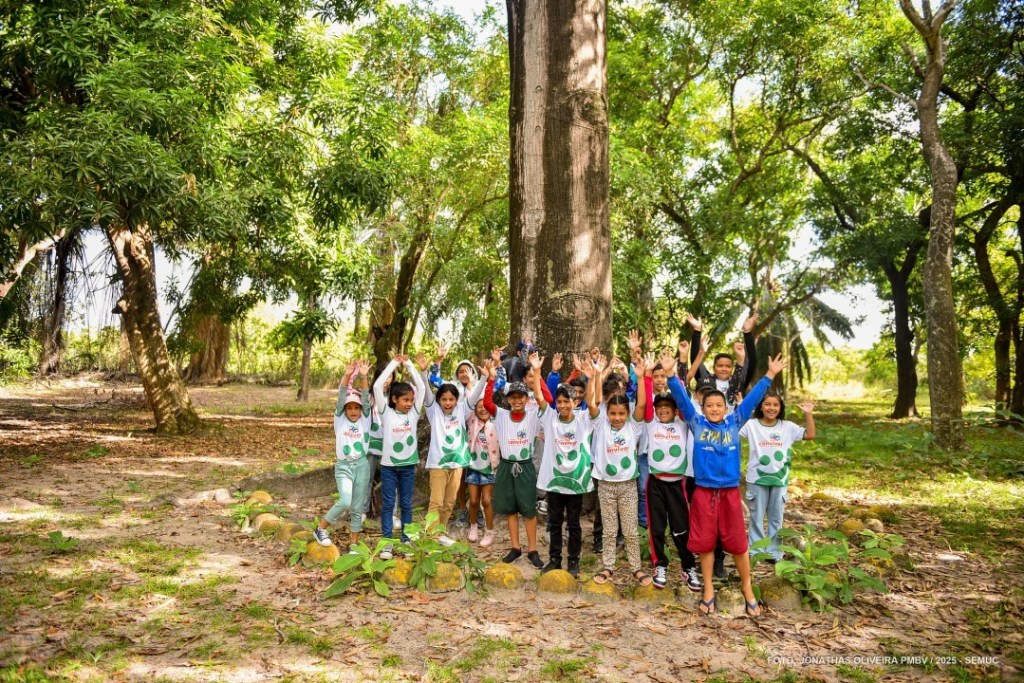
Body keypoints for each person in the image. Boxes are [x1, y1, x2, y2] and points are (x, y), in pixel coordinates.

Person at [666, 352, 788, 618]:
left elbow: (753, 398)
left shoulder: (734, 421)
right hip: (704, 492)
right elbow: (683, 401)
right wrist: (670, 376)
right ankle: (708, 588)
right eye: (709, 406)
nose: (714, 409)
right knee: (706, 543)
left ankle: (747, 588)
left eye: (718, 406)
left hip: (730, 492)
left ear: (725, 408)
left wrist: (769, 375)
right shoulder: (696, 422)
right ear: (704, 408)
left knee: (738, 543)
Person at [642, 345, 706, 591]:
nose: (664, 409)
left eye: (668, 406)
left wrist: (674, 372)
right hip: (656, 483)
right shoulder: (650, 424)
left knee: (682, 528)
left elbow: (682, 400)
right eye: (660, 406)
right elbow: (646, 403)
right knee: (657, 528)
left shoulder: (685, 423)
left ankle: (689, 567)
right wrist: (646, 376)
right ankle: (660, 564)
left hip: (678, 484)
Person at [588, 353, 651, 586]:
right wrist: (596, 374)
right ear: (607, 413)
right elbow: (593, 403)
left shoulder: (634, 427)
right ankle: (608, 566)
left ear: (627, 413)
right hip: (605, 485)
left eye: (621, 414)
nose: (617, 418)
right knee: (609, 530)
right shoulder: (601, 423)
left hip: (627, 485)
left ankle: (636, 568)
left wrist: (642, 377)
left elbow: (642, 404)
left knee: (631, 530)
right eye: (613, 413)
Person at [482, 354, 546, 568]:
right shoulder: (501, 415)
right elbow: (487, 403)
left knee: (528, 510)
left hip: (525, 466)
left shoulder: (534, 416)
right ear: (508, 399)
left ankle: (533, 549)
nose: (517, 400)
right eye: (513, 397)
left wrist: (537, 373)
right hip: (506, 466)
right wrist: (491, 379)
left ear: (527, 399)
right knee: (510, 509)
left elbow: (546, 399)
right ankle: (516, 547)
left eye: (521, 397)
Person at [741, 391, 815, 562]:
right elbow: (731, 431)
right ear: (761, 406)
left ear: (780, 407)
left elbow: (810, 435)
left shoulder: (788, 426)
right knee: (756, 517)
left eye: (775, 405)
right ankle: (756, 552)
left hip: (779, 479)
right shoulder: (751, 425)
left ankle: (775, 553)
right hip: (756, 479)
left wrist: (808, 414)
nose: (771, 408)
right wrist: (741, 406)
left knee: (776, 517)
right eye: (767, 404)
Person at [419, 353, 485, 546]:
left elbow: (474, 396)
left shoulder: (462, 410)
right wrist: (423, 371)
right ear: (439, 400)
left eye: (451, 399)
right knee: (436, 502)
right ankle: (430, 538)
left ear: (457, 400)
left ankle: (440, 533)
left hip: (456, 464)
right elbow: (426, 393)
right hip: (438, 465)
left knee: (449, 504)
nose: (448, 403)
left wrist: (484, 377)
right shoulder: (433, 411)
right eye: (444, 399)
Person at [537, 378, 595, 577]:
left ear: (576, 402)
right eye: (559, 402)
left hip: (576, 482)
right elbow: (538, 396)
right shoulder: (550, 419)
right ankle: (554, 559)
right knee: (553, 522)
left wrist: (594, 375)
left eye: (566, 401)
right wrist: (536, 371)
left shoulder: (583, 420)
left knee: (573, 524)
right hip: (555, 482)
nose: (562, 405)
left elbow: (595, 403)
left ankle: (573, 560)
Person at [313, 360, 373, 550]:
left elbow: (365, 399)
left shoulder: (365, 419)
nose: (353, 411)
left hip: (362, 466)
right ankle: (321, 528)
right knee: (345, 500)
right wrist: (348, 376)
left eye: (356, 408)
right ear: (344, 409)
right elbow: (341, 397)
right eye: (349, 408)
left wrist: (363, 377)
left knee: (357, 507)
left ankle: (354, 543)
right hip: (344, 467)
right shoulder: (339, 420)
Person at [372, 354, 426, 560]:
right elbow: (377, 387)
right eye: (405, 400)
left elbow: (420, 388)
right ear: (394, 399)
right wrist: (394, 364)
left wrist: (410, 365)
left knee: (406, 504)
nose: (409, 403)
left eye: (411, 400)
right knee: (388, 505)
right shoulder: (386, 412)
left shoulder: (413, 414)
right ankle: (387, 544)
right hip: (388, 468)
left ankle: (406, 541)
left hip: (408, 468)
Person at [688, 312, 758, 409]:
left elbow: (752, 362)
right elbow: (695, 360)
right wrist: (697, 331)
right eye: (720, 366)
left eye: (728, 366)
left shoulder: (738, 380)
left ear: (732, 368)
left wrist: (747, 333)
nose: (724, 369)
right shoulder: (705, 379)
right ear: (714, 367)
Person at [466, 367, 500, 547]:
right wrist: (479, 380)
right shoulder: (472, 420)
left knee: (486, 500)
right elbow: (471, 401)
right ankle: (473, 527)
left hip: (489, 468)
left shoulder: (496, 423)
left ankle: (489, 531)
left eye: (485, 406)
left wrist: (493, 377)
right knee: (473, 500)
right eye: (479, 407)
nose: (482, 409)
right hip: (473, 466)